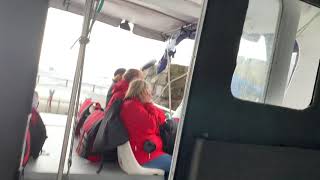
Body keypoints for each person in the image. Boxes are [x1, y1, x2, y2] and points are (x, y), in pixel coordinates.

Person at [120, 80, 171, 180]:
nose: (150, 94)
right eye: (148, 91)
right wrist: (149, 104)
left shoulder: (136, 105)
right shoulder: (132, 106)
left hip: (148, 151)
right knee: (179, 165)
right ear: (142, 92)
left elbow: (161, 119)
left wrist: (149, 104)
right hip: (145, 155)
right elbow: (151, 125)